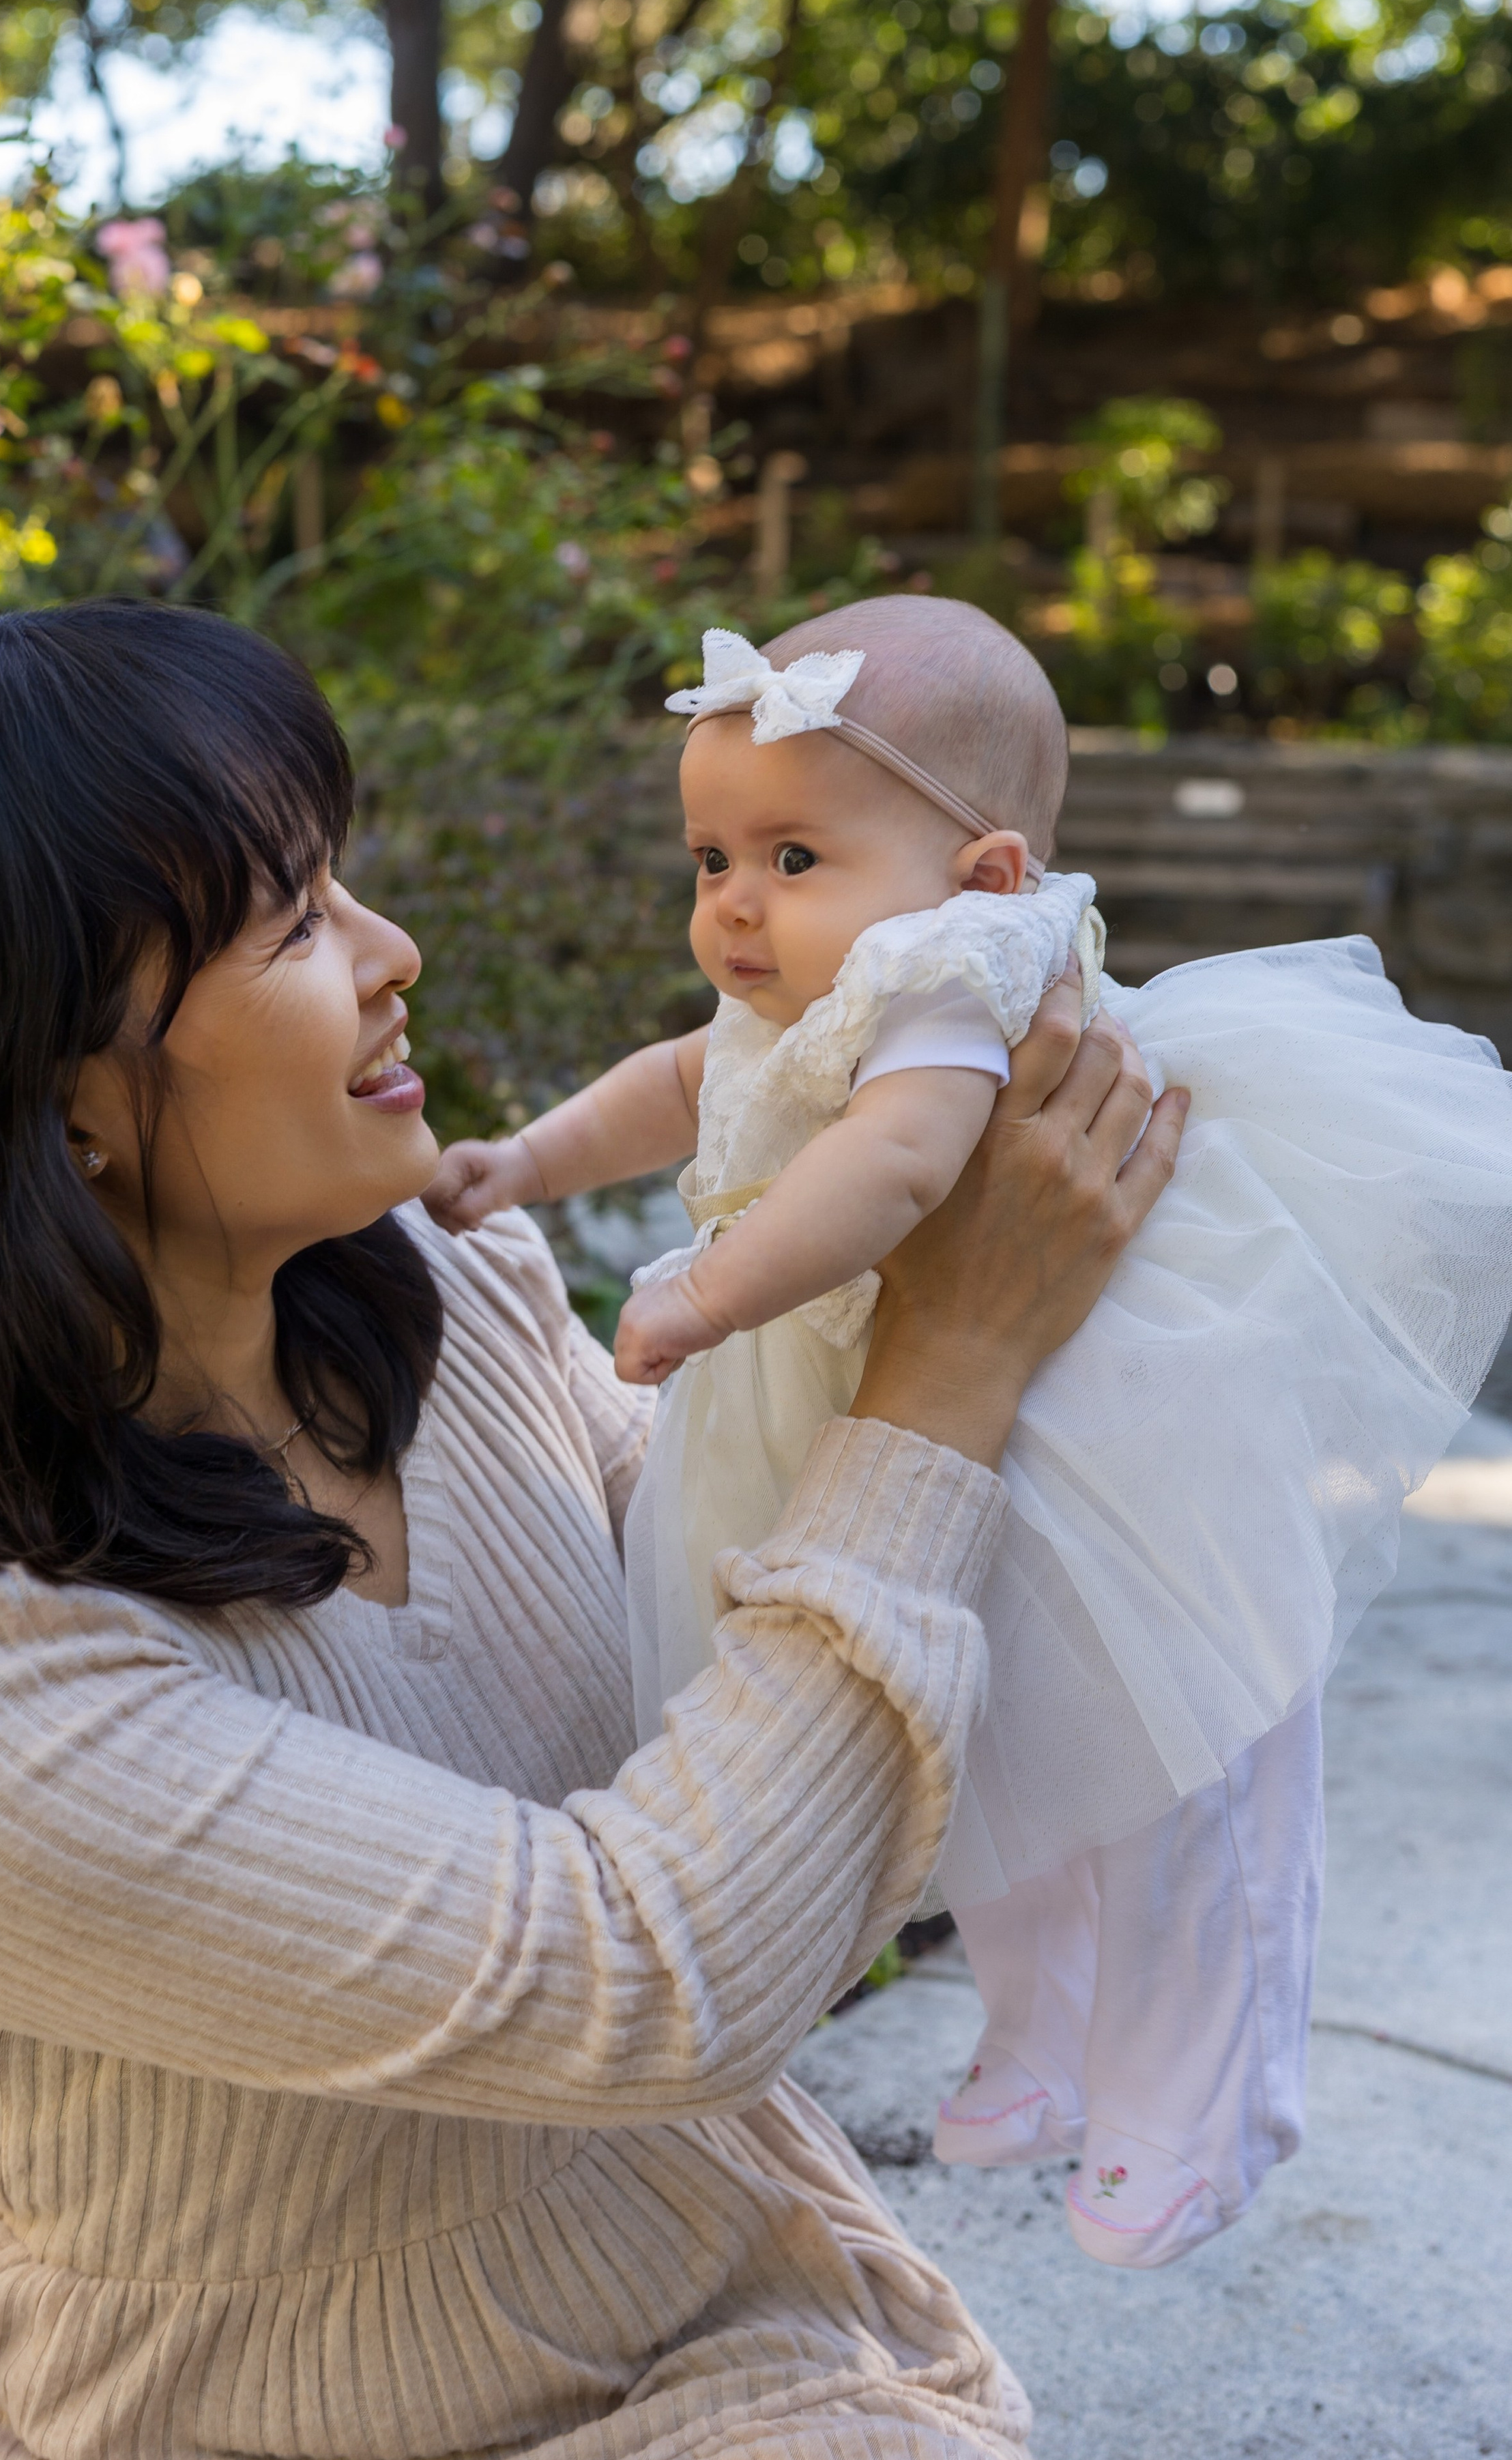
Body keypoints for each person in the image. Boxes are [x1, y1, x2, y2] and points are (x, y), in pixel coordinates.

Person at [0, 599, 1182, 2460]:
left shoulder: (446, 1285)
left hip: (711, 2330)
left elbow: (777, 1755)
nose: (390, 955)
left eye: (342, 884)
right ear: (63, 1091)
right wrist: (947, 1371)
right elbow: (660, 1971)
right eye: (289, 929)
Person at [425, 598, 1512, 2270]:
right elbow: (680, 1084)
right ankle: (1033, 2036)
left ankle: (1202, 2107)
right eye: (710, 857)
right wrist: (526, 1164)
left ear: (986, 871)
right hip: (963, 1406)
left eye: (791, 857)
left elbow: (901, 1169)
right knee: (986, 1746)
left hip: (1106, 1424)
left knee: (1175, 1780)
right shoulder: (824, 975)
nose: (731, 904)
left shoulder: (953, 974)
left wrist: (705, 1292)